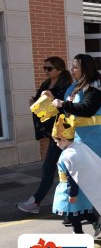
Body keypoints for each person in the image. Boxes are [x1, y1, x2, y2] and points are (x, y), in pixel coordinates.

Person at [19, 57, 72, 214]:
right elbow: (43, 110)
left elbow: (65, 111)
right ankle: (74, 206)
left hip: (63, 132)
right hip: (52, 133)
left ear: (59, 70)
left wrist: (51, 100)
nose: (46, 71)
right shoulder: (45, 84)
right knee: (63, 169)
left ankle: (36, 202)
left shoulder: (66, 87)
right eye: (45, 68)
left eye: (49, 68)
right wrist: (34, 104)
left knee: (53, 167)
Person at [44, 54, 101, 168]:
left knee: (97, 175)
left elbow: (87, 109)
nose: (71, 70)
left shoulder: (96, 85)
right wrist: (52, 100)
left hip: (97, 139)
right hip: (80, 138)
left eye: (75, 67)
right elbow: (69, 110)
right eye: (71, 67)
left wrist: (62, 103)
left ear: (86, 69)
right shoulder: (74, 86)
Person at [50, 114, 101, 236]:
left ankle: (78, 233)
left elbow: (71, 176)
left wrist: (72, 194)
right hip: (82, 186)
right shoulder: (78, 147)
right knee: (81, 210)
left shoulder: (67, 155)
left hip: (70, 188)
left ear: (63, 139)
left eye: (56, 141)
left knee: (71, 213)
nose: (56, 144)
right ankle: (95, 221)